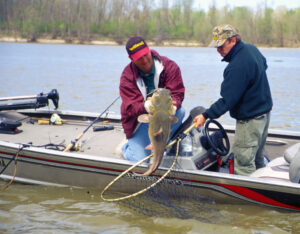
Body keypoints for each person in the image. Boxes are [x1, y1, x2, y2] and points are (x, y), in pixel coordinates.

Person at [193, 24, 273, 176]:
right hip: (264, 115)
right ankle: (262, 187)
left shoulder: (236, 66)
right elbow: (264, 65)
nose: (218, 50)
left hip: (250, 121)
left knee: (243, 164)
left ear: (233, 41)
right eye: (216, 47)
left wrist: (205, 115)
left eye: (221, 46)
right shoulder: (252, 50)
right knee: (257, 159)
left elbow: (227, 101)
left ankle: (249, 199)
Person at [120, 36, 185, 162]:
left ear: (149, 49)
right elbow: (130, 108)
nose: (144, 60)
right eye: (139, 58)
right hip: (140, 123)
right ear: (131, 59)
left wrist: (174, 105)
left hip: (162, 117)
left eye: (145, 54)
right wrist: (146, 106)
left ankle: (158, 144)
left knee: (181, 112)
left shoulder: (170, 67)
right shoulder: (127, 77)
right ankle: (127, 147)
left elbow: (178, 93)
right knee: (138, 161)